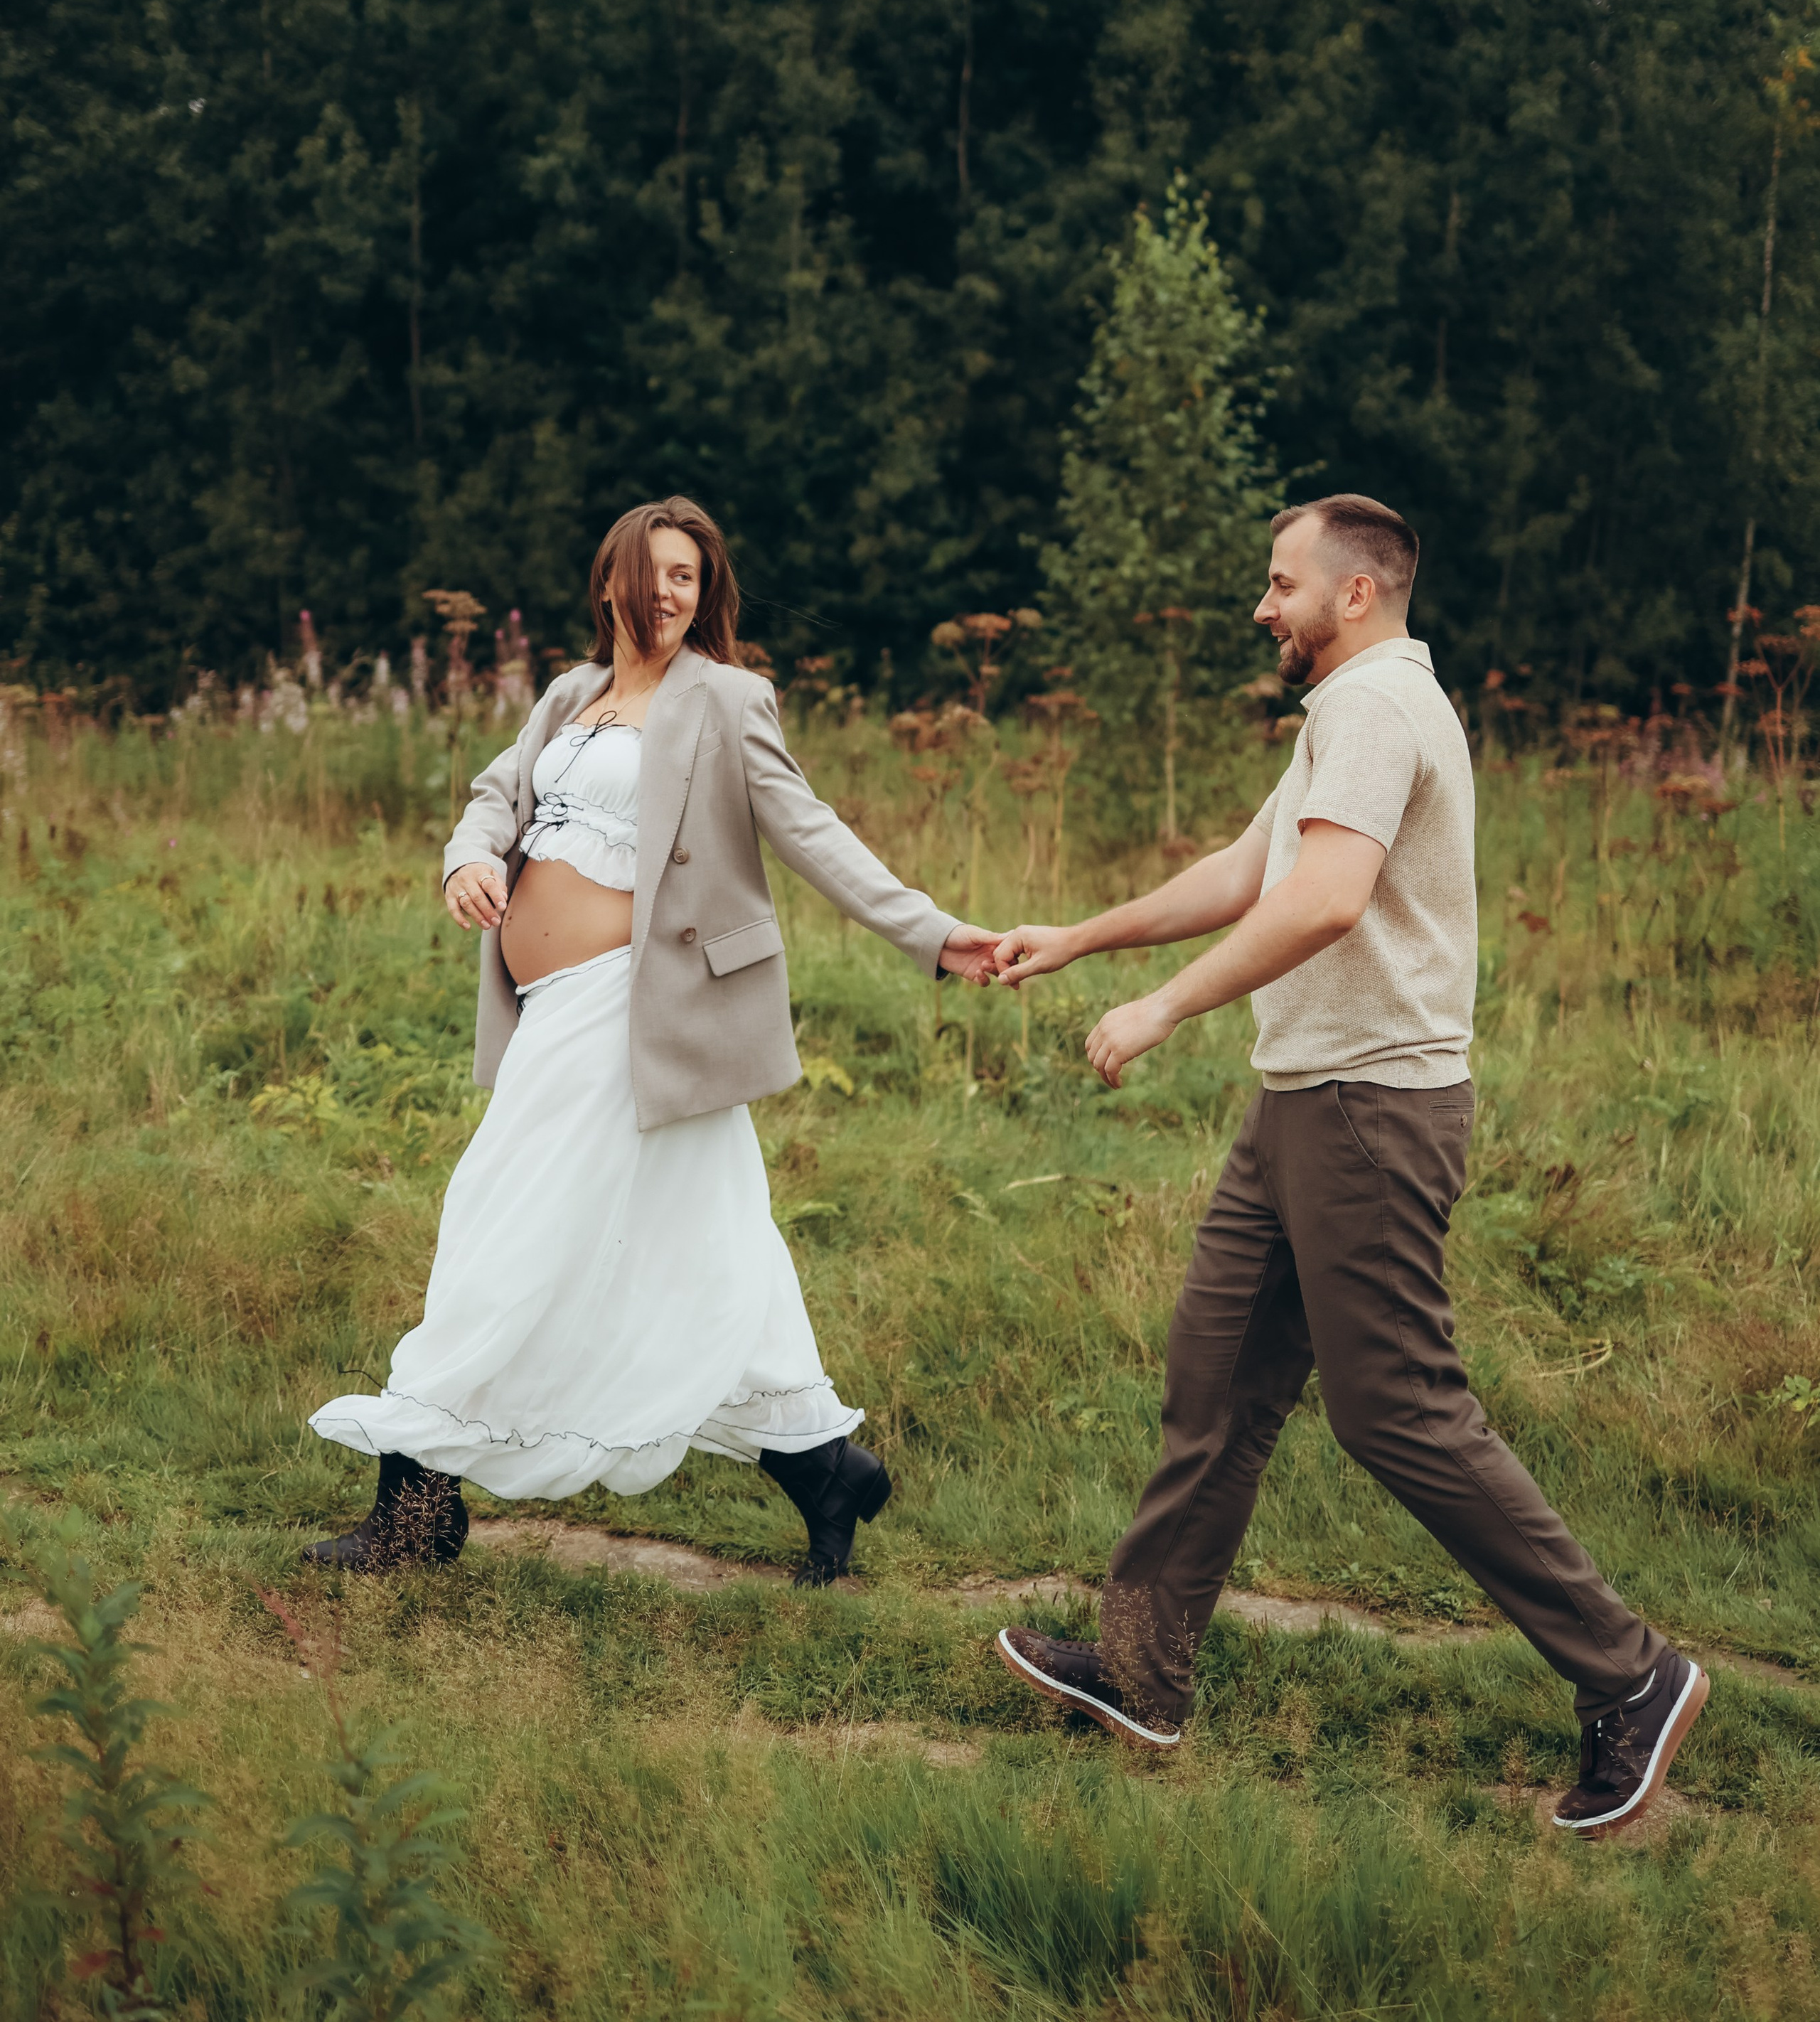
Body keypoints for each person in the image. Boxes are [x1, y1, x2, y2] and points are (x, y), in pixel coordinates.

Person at [987, 494, 1707, 1841]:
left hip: (1371, 1109)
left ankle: (1633, 1672)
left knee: (1400, 1411)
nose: (1264, 605)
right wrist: (1081, 937)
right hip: (1302, 1105)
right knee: (1214, 1378)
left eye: (1279, 583)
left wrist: (1161, 1011)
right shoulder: (1352, 711)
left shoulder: (1377, 710)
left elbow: (1323, 900)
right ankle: (1143, 1674)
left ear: (1355, 592)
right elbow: (1250, 868)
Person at [306, 496, 1001, 1583]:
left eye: (690, 576)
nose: (672, 592)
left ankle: (417, 1507)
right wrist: (469, 860)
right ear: (609, 585)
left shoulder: (726, 700)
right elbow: (496, 798)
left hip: (633, 1016)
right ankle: (825, 1471)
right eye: (655, 572)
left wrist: (936, 931)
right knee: (708, 1251)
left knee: (495, 1227)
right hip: (552, 1017)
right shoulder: (567, 696)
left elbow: (810, 833)